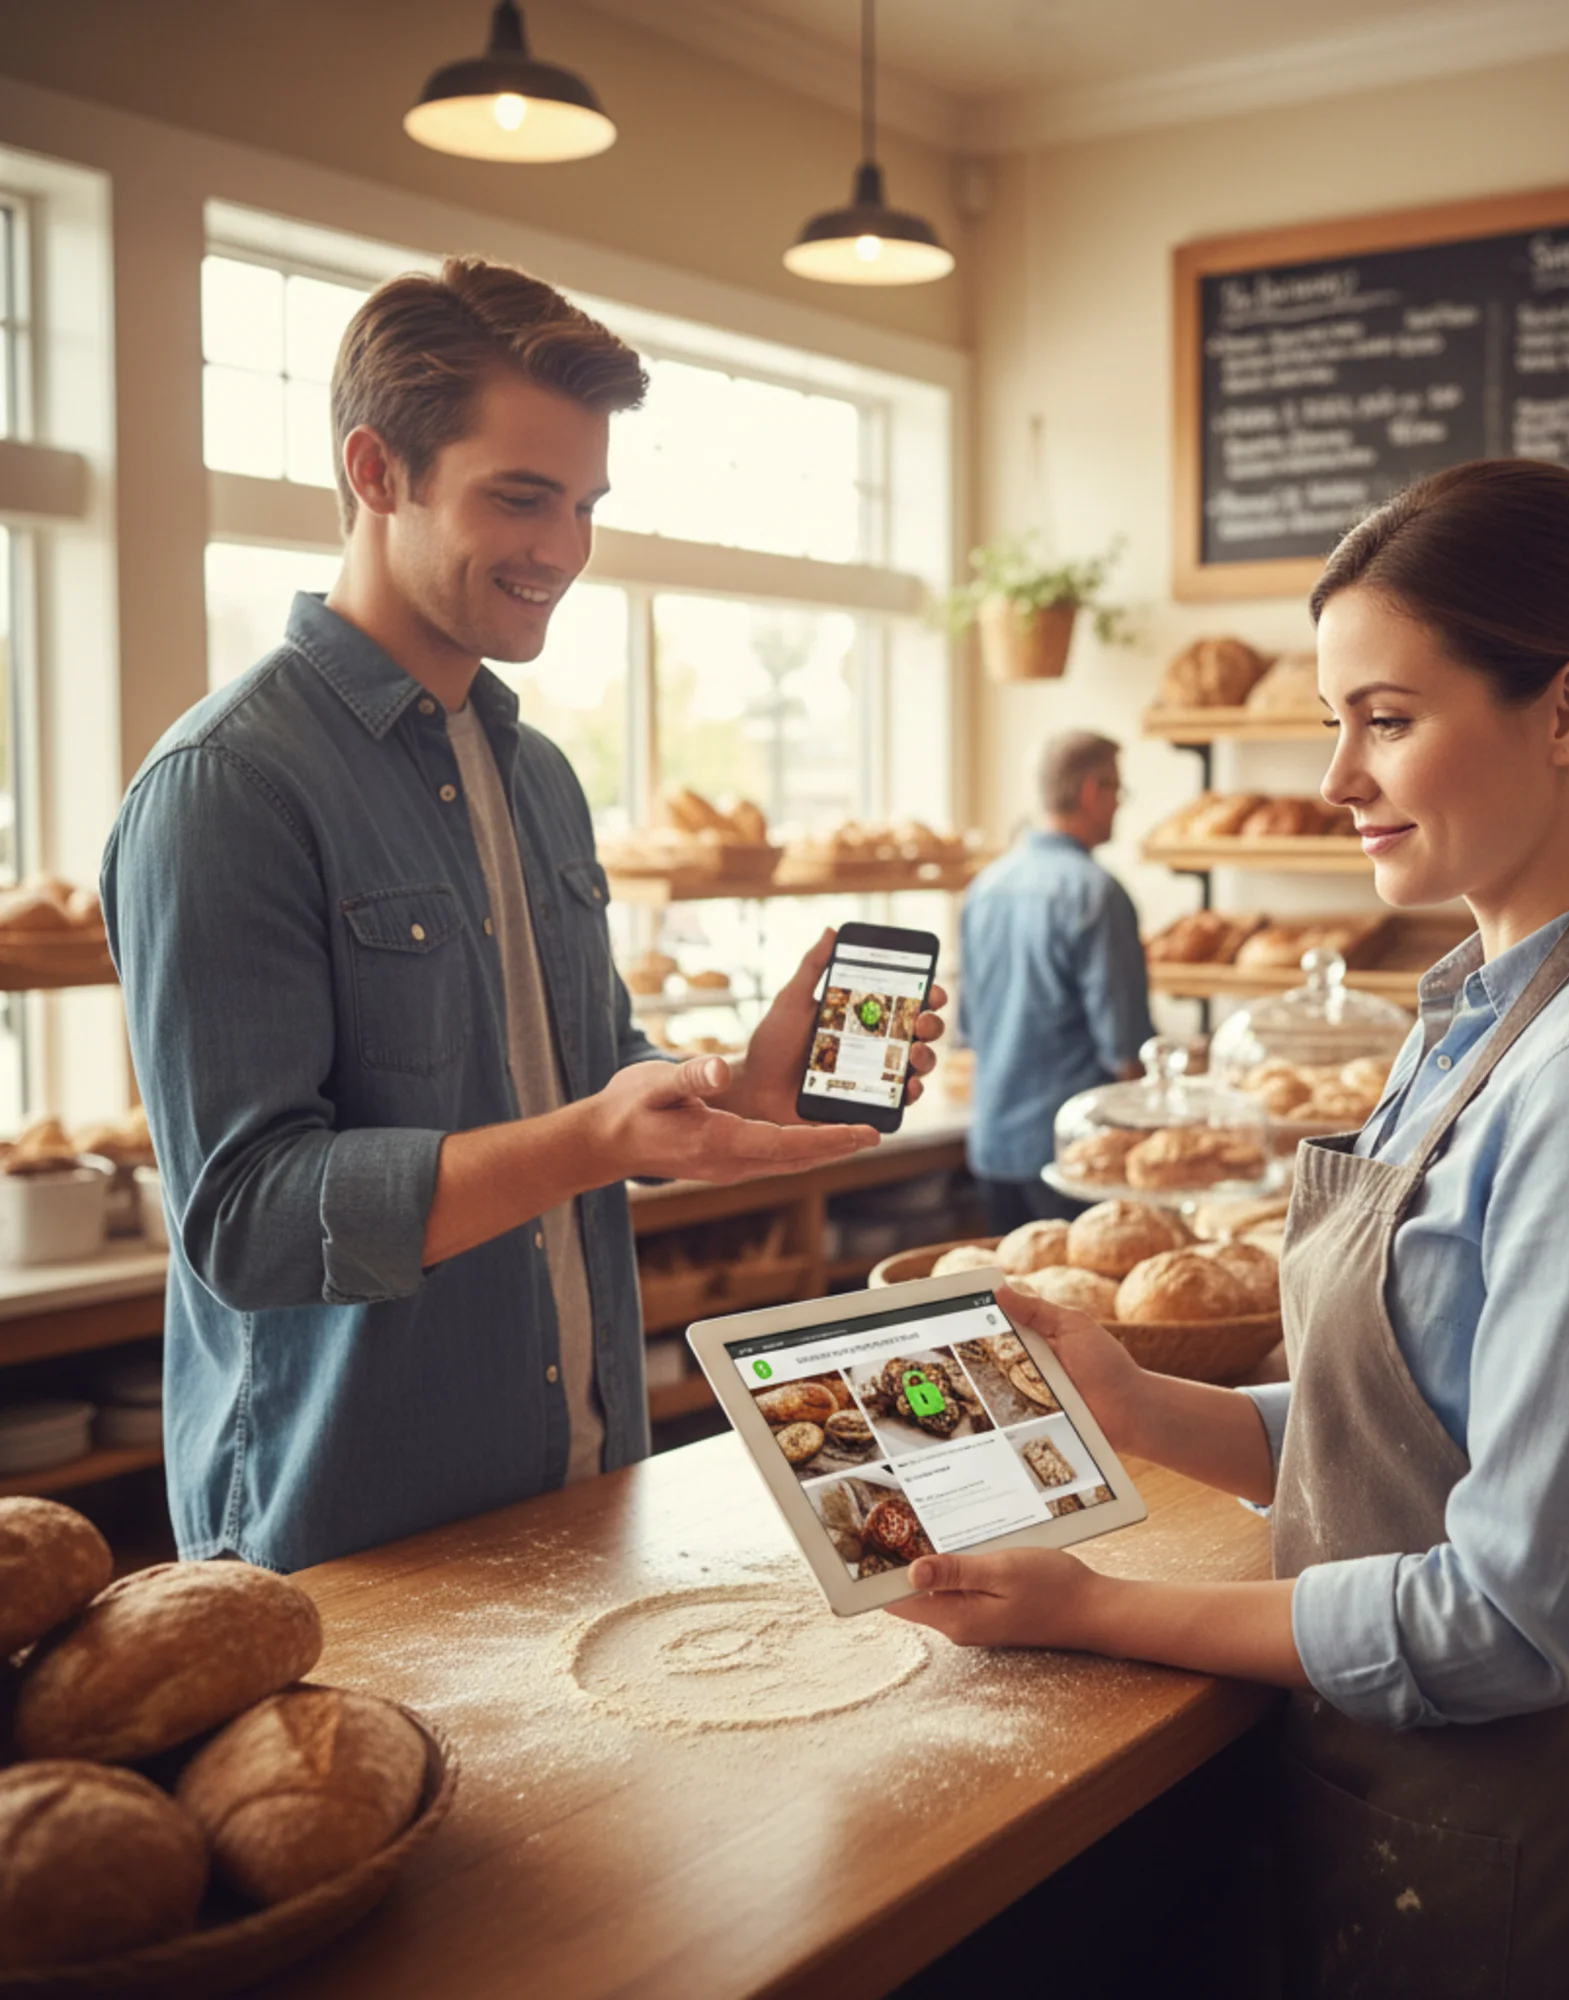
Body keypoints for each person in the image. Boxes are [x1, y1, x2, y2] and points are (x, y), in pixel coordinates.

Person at [896, 461, 1569, 2000]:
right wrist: (1133, 1400)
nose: (1338, 780)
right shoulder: (1483, 1014)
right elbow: (1423, 1421)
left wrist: (1101, 1610)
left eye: (1388, 718)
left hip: (1541, 1864)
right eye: (1331, 724)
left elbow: (1509, 1620)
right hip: (1410, 1812)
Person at [100, 258, 944, 1574]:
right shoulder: (226, 786)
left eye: (586, 503)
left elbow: (580, 1083)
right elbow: (247, 1219)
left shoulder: (536, 773)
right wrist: (592, 1137)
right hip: (346, 1546)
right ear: (379, 473)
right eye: (521, 497)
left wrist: (737, 1092)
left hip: (587, 1492)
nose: (563, 549)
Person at [958, 730, 1153, 1232]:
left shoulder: (985, 887)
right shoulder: (1097, 895)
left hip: (993, 1148)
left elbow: (970, 1028)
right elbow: (1125, 1051)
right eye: (1117, 792)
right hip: (1075, 1158)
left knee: (1015, 1301)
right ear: (1091, 792)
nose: (1117, 806)